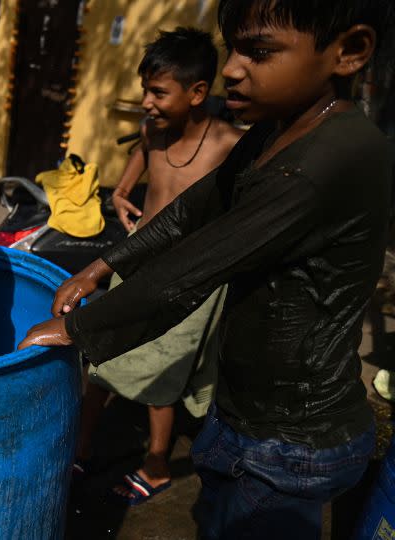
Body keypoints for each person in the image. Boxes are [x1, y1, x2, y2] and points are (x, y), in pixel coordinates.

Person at [20, 0, 393, 536]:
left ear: (349, 51)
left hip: (289, 441)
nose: (234, 68)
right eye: (234, 49)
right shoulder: (279, 130)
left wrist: (75, 329)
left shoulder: (330, 159)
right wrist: (101, 264)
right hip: (245, 413)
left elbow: (195, 266)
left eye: (260, 51)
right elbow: (190, 213)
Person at [75, 27, 243, 506]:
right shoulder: (152, 133)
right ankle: (81, 448)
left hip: (189, 279)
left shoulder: (229, 145)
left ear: (197, 93)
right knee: (102, 356)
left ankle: (157, 463)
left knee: (160, 374)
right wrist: (123, 193)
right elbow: (136, 166)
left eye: (157, 92)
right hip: (137, 261)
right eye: (145, 89)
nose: (146, 102)